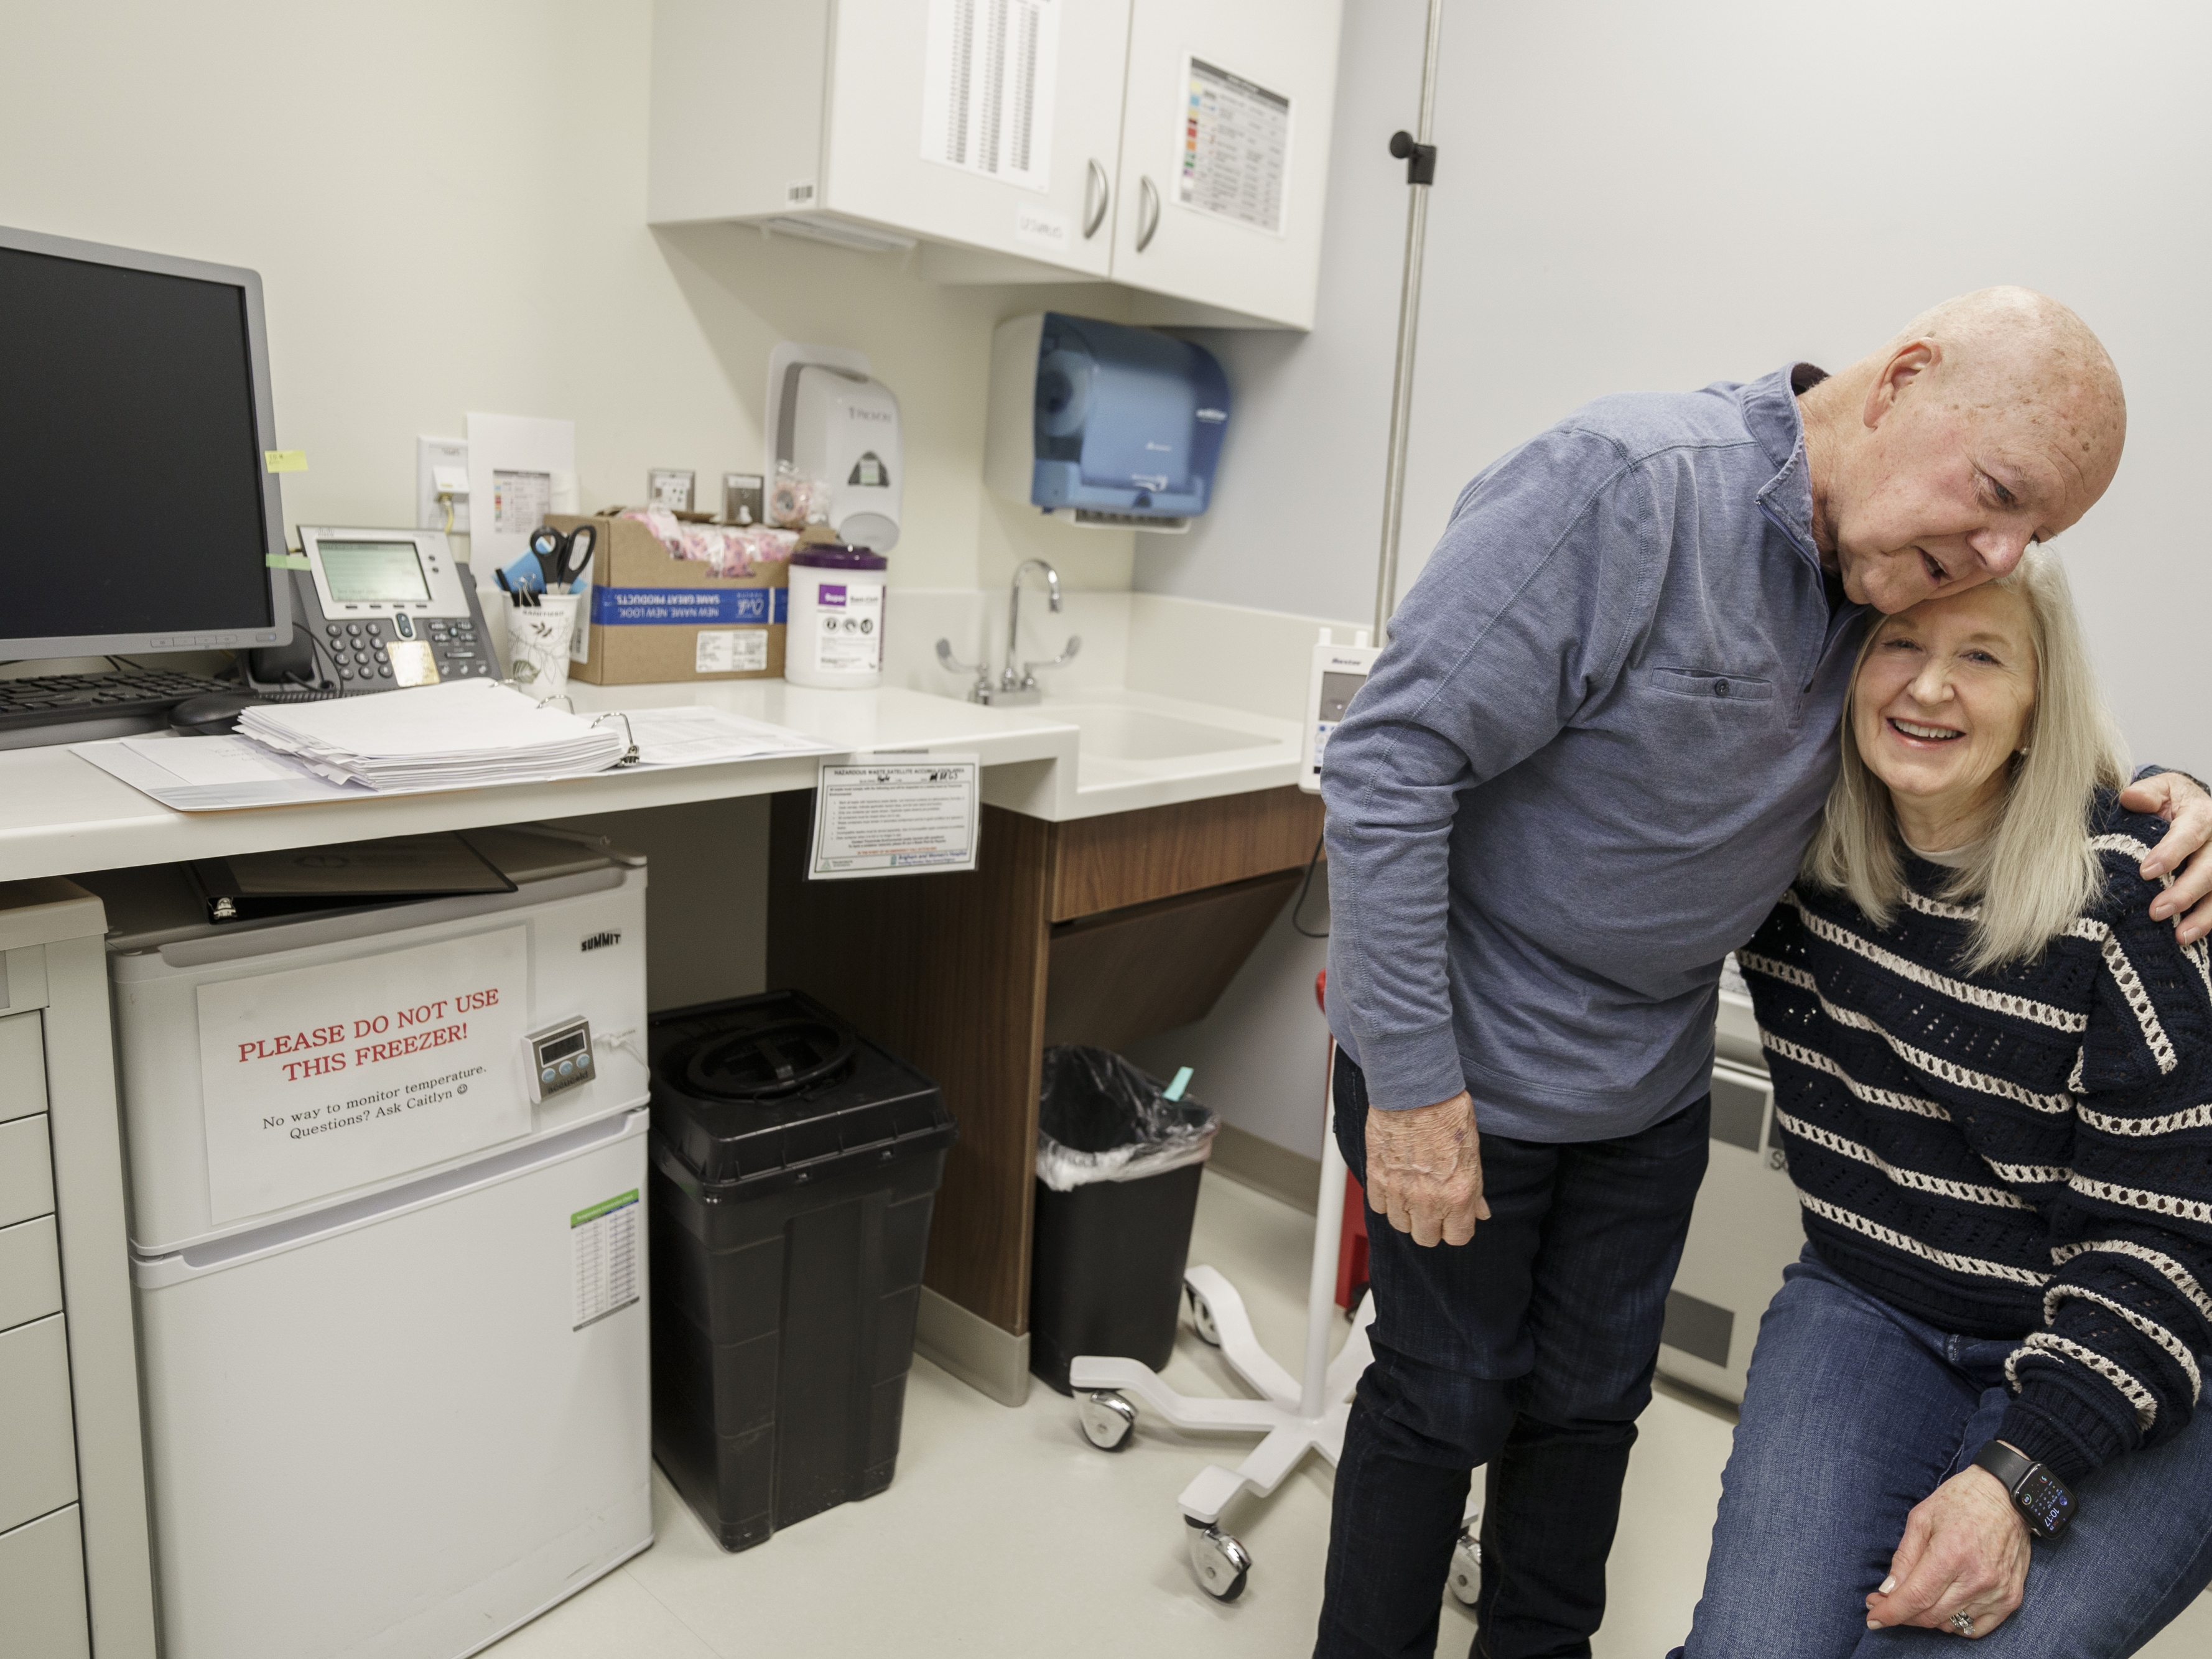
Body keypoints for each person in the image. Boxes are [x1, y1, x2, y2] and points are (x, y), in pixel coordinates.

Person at [1316, 288, 2212, 1659]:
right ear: (1902, 376)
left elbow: (1992, 726)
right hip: (1465, 1072)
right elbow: (1386, 763)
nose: (1987, 553)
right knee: (1440, 1399)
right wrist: (1410, 1085)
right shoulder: (1629, 487)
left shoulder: (1883, 575)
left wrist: (2180, 800)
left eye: (2025, 540)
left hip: (1645, 1097)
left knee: (1583, 1413)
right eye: (1993, 495)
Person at [1679, 551, 2212, 1655]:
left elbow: (2167, 1243)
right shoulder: (1785, 858)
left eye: (1981, 656)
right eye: (1898, 644)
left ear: (2035, 708)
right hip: (1875, 1295)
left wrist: (2013, 1482)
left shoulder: (2130, 904)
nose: (1929, 688)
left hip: (2145, 1338)